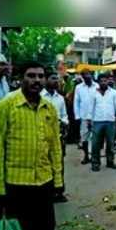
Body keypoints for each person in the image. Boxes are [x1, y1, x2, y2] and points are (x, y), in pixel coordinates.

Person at [0, 61, 63, 230]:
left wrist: (58, 181)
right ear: (20, 78)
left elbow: (55, 147)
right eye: (31, 76)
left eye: (40, 76)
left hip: (43, 184)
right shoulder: (5, 106)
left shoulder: (49, 108)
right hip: (15, 186)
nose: (36, 80)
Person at [41, 71, 69, 203]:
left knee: (58, 163)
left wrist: (64, 122)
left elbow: (64, 115)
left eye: (57, 79)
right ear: (46, 80)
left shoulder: (60, 98)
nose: (56, 81)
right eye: (53, 78)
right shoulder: (40, 96)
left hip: (58, 136)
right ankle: (46, 192)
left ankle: (59, 191)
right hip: (42, 136)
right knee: (44, 164)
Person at [90, 73, 116, 172]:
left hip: (110, 122)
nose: (104, 82)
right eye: (101, 81)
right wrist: (89, 120)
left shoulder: (113, 92)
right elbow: (91, 107)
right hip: (97, 121)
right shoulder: (94, 93)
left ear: (108, 81)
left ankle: (110, 162)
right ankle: (95, 163)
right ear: (98, 82)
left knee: (110, 143)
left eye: (105, 81)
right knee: (95, 144)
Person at [74, 69, 98, 165]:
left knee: (94, 138)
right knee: (84, 137)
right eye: (84, 75)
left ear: (91, 75)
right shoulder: (78, 88)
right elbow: (76, 102)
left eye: (88, 74)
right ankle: (86, 156)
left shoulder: (97, 86)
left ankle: (93, 156)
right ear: (82, 77)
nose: (87, 76)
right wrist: (77, 116)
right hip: (83, 116)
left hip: (95, 116)